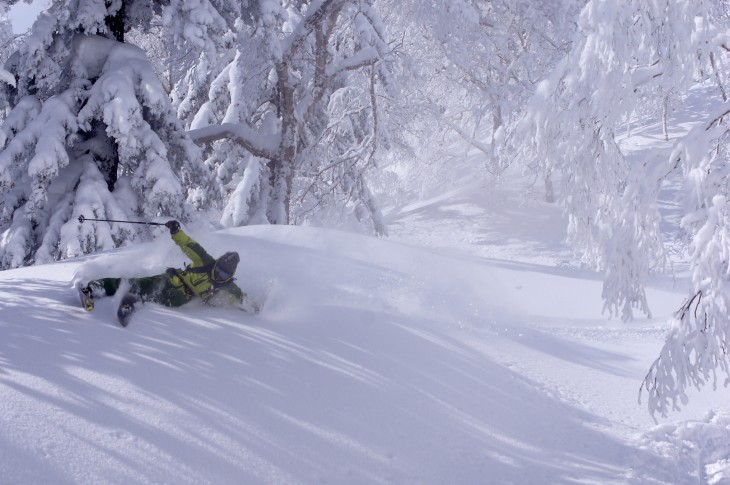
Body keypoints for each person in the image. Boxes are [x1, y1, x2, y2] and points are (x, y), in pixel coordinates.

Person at [79, 220, 248, 311]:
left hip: (184, 295)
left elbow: (243, 300)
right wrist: (176, 231)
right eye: (218, 270)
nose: (219, 275)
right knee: (140, 282)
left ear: (230, 276)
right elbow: (188, 244)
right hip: (173, 278)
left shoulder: (228, 286)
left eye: (224, 275)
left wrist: (258, 308)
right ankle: (95, 287)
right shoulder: (205, 261)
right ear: (217, 263)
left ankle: (139, 299)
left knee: (174, 299)